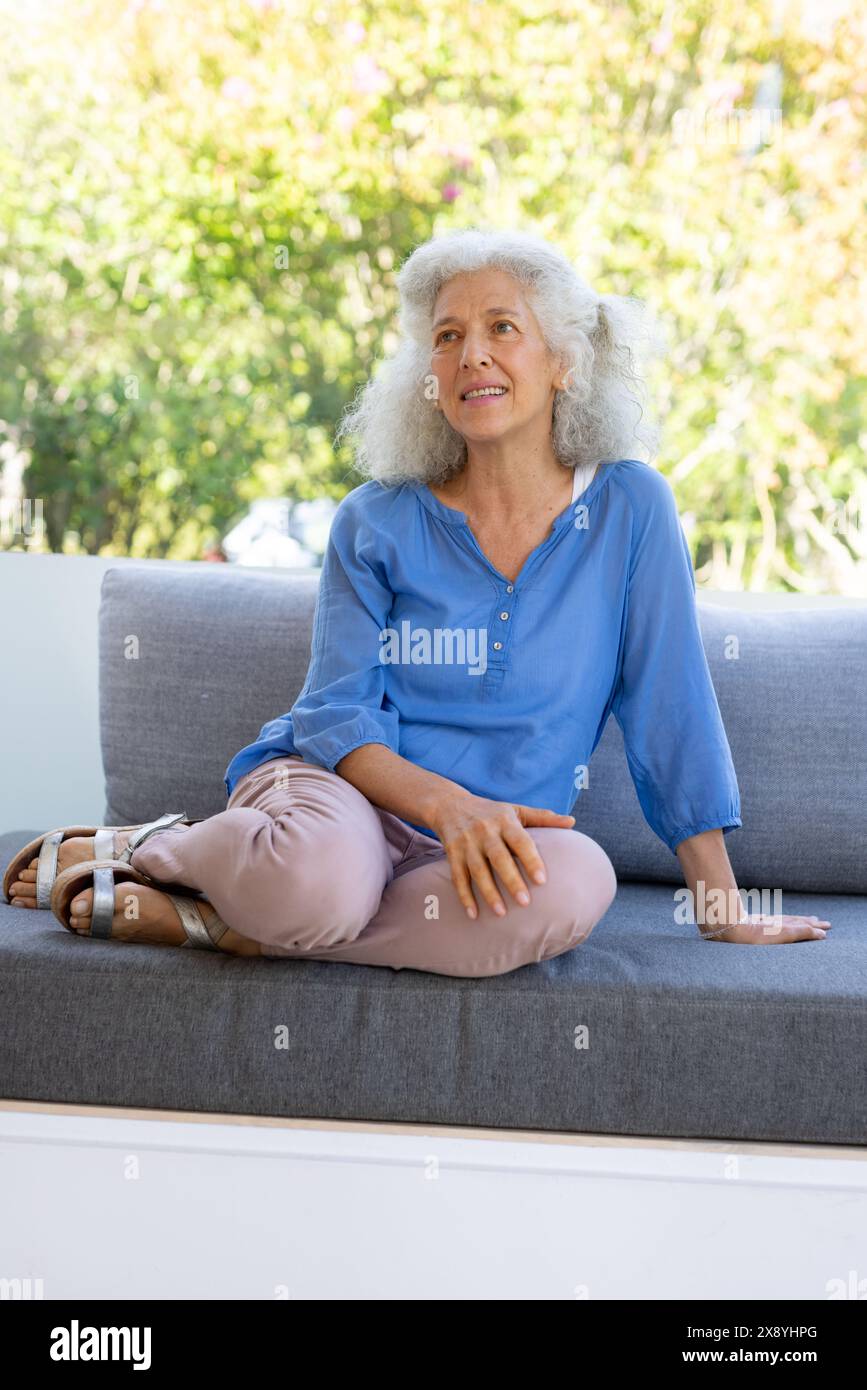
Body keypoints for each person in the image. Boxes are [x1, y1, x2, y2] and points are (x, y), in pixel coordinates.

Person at [4, 227, 830, 966]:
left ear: (563, 362)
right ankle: (164, 853)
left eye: (502, 327)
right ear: (428, 376)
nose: (472, 353)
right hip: (341, 799)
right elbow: (334, 716)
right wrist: (451, 805)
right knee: (317, 883)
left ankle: (223, 926)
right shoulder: (375, 520)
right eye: (447, 336)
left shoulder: (629, 508)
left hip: (492, 842)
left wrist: (719, 906)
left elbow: (669, 705)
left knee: (577, 885)